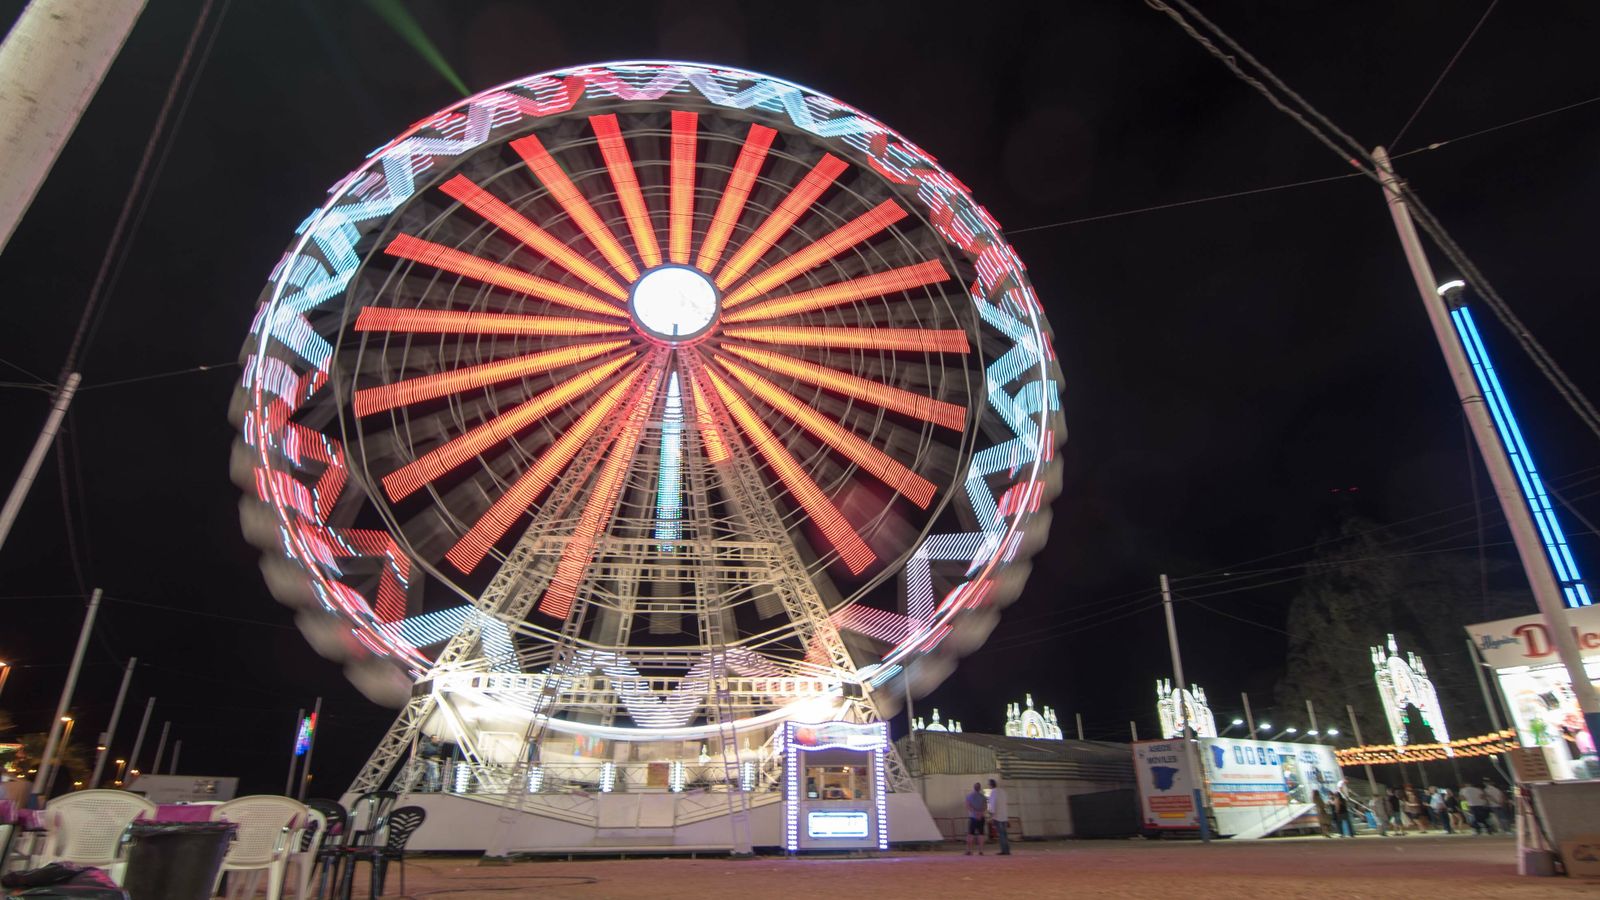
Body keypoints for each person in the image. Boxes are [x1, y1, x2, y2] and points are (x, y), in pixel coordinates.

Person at [986, 778, 1012, 855]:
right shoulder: (1002, 791)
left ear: (991, 785)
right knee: (1005, 834)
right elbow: (1005, 804)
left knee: (1001, 835)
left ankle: (1004, 851)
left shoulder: (993, 792)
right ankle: (1007, 850)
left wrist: (991, 816)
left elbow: (993, 805)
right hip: (1004, 816)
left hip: (998, 817)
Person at [964, 782, 987, 855]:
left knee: (970, 834)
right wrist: (980, 813)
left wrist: (975, 813)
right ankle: (981, 851)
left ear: (974, 787)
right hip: (981, 817)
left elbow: (968, 806)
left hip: (973, 817)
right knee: (981, 834)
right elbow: (985, 807)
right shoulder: (983, 797)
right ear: (980, 788)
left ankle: (969, 850)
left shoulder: (969, 796)